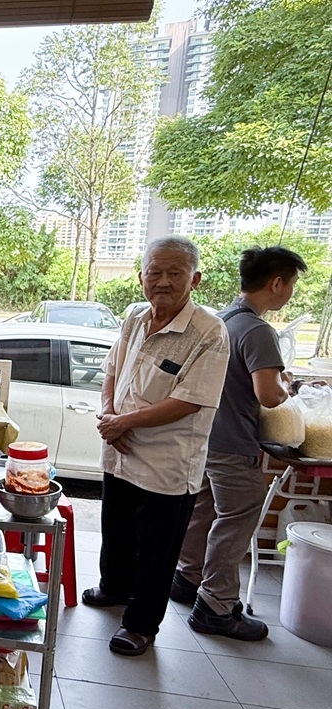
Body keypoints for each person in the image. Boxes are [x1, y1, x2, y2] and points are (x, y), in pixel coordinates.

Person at [83, 236, 230, 656]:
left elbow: (189, 401)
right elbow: (112, 370)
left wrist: (122, 423)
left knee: (157, 550)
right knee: (116, 529)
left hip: (167, 463)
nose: (163, 281)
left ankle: (141, 625)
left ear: (194, 279)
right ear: (141, 277)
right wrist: (110, 417)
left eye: (175, 273)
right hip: (119, 449)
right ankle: (114, 587)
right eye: (155, 272)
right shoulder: (134, 316)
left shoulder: (209, 332)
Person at [171, 246, 307, 640]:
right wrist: (287, 386)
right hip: (234, 444)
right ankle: (215, 606)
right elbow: (268, 395)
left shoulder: (221, 320)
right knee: (236, 519)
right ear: (276, 283)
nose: (290, 293)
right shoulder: (258, 330)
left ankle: (187, 578)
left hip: (205, 438)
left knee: (203, 511)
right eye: (291, 284)